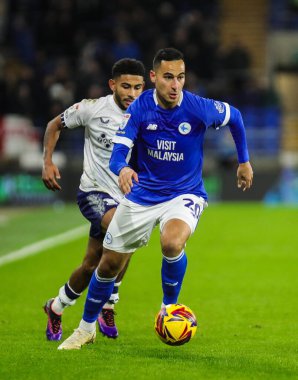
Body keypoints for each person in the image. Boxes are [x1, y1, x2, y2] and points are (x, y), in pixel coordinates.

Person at [58, 47, 253, 350]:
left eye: (181, 77)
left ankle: (169, 308)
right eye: (168, 77)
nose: (176, 85)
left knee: (172, 242)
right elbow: (119, 150)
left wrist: (244, 161)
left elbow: (235, 117)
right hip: (143, 194)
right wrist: (121, 168)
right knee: (108, 265)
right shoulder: (140, 108)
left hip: (185, 193)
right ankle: (85, 329)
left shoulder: (198, 107)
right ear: (153, 78)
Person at [42, 58, 145, 341]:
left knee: (91, 264)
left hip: (128, 197)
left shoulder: (148, 113)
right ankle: (108, 305)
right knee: (123, 230)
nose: (132, 94)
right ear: (112, 85)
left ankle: (57, 306)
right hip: (94, 193)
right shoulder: (92, 108)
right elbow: (54, 124)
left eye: (138, 87)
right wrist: (47, 161)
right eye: (126, 86)